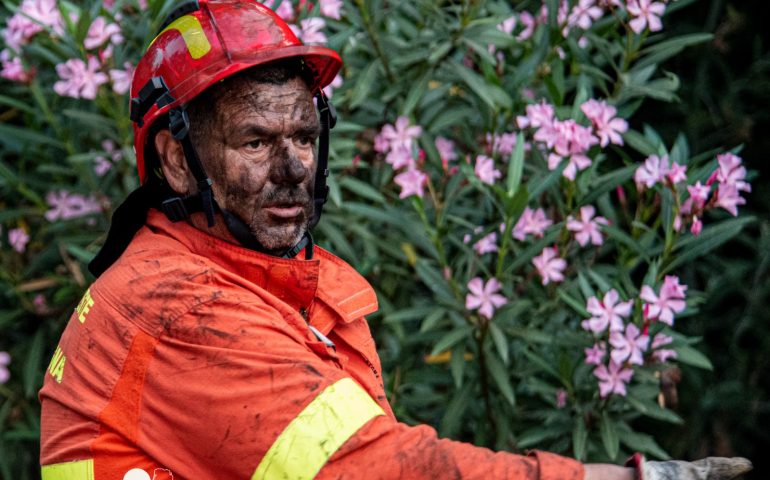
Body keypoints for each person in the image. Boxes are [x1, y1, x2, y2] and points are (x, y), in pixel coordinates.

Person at [38, 1, 752, 479]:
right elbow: (385, 471)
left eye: (305, 137)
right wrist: (638, 476)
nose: (292, 170)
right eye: (255, 140)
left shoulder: (244, 277)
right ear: (173, 158)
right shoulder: (177, 305)